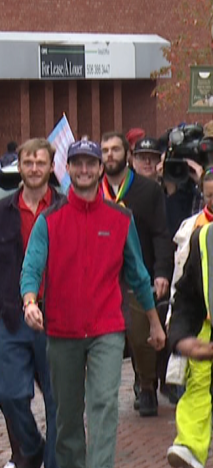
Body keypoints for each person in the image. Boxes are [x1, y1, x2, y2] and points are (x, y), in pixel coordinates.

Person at [21, 139, 166, 468]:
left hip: (106, 328)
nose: (84, 170)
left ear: (101, 169)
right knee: (67, 411)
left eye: (91, 164)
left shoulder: (120, 219)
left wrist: (153, 322)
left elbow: (137, 273)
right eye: (77, 164)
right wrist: (30, 301)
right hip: (63, 330)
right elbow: (32, 267)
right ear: (67, 170)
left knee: (103, 401)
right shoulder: (49, 220)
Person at [0, 138, 66, 468]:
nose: (34, 169)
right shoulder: (2, 210)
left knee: (56, 397)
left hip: (56, 315)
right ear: (20, 166)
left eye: (40, 163)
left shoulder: (65, 207)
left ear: (51, 167)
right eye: (28, 162)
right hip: (13, 316)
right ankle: (30, 448)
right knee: (7, 391)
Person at [99, 132, 173, 417]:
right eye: (104, 150)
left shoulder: (147, 190)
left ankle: (147, 385)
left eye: (115, 149)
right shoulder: (93, 189)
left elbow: (160, 233)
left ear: (126, 154)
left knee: (141, 331)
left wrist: (161, 272)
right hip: (104, 275)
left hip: (137, 271)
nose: (110, 155)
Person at [164, 170, 213, 468]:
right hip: (207, 328)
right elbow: (186, 296)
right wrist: (181, 337)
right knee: (198, 382)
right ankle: (190, 446)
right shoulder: (203, 237)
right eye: (210, 196)